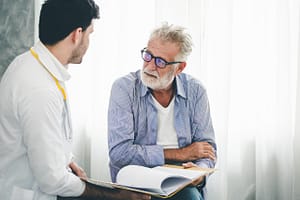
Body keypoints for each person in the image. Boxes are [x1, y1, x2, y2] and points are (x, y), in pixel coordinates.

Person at [0, 0, 150, 200]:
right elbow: (52, 180)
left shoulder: (29, 63)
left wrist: (67, 160)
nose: (88, 41)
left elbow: (43, 137)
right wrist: (114, 196)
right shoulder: (39, 89)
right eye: (89, 34)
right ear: (77, 34)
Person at [107, 23, 217, 200]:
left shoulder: (196, 91)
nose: (150, 66)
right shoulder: (124, 88)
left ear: (179, 68)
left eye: (160, 62)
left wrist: (199, 173)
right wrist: (181, 153)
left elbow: (207, 150)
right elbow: (119, 153)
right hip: (137, 182)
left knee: (190, 197)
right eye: (148, 56)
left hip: (180, 181)